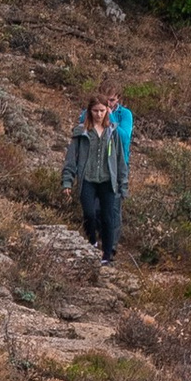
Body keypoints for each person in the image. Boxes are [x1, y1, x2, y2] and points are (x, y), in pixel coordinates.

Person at [63, 91, 128, 262]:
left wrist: (123, 185)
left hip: (108, 181)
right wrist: (67, 181)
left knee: (108, 218)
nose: (98, 114)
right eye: (95, 111)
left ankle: (107, 255)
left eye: (102, 111)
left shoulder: (113, 133)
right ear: (89, 111)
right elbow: (71, 158)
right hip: (87, 180)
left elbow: (120, 161)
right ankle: (92, 241)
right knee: (89, 214)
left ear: (107, 110)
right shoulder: (81, 132)